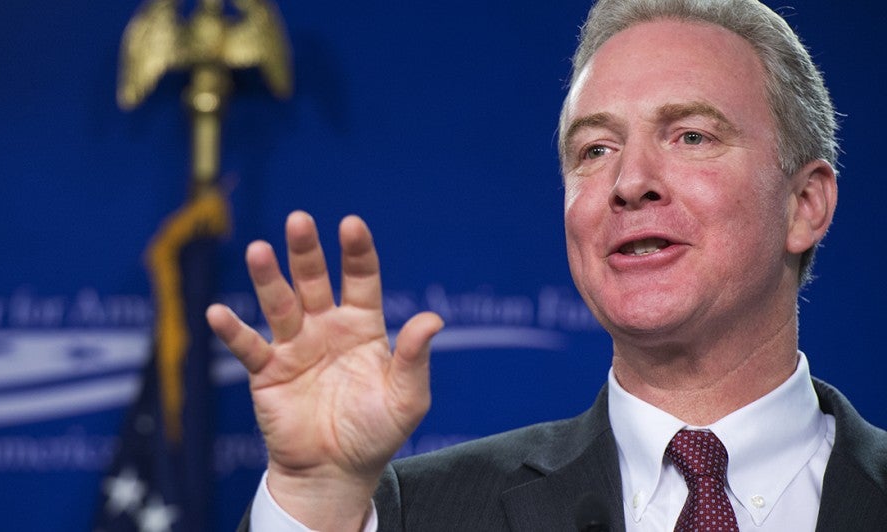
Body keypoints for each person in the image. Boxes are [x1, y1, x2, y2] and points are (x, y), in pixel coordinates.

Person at [205, 0, 887, 529]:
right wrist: (318, 498)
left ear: (804, 205)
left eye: (690, 135)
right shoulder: (411, 514)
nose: (630, 182)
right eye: (595, 150)